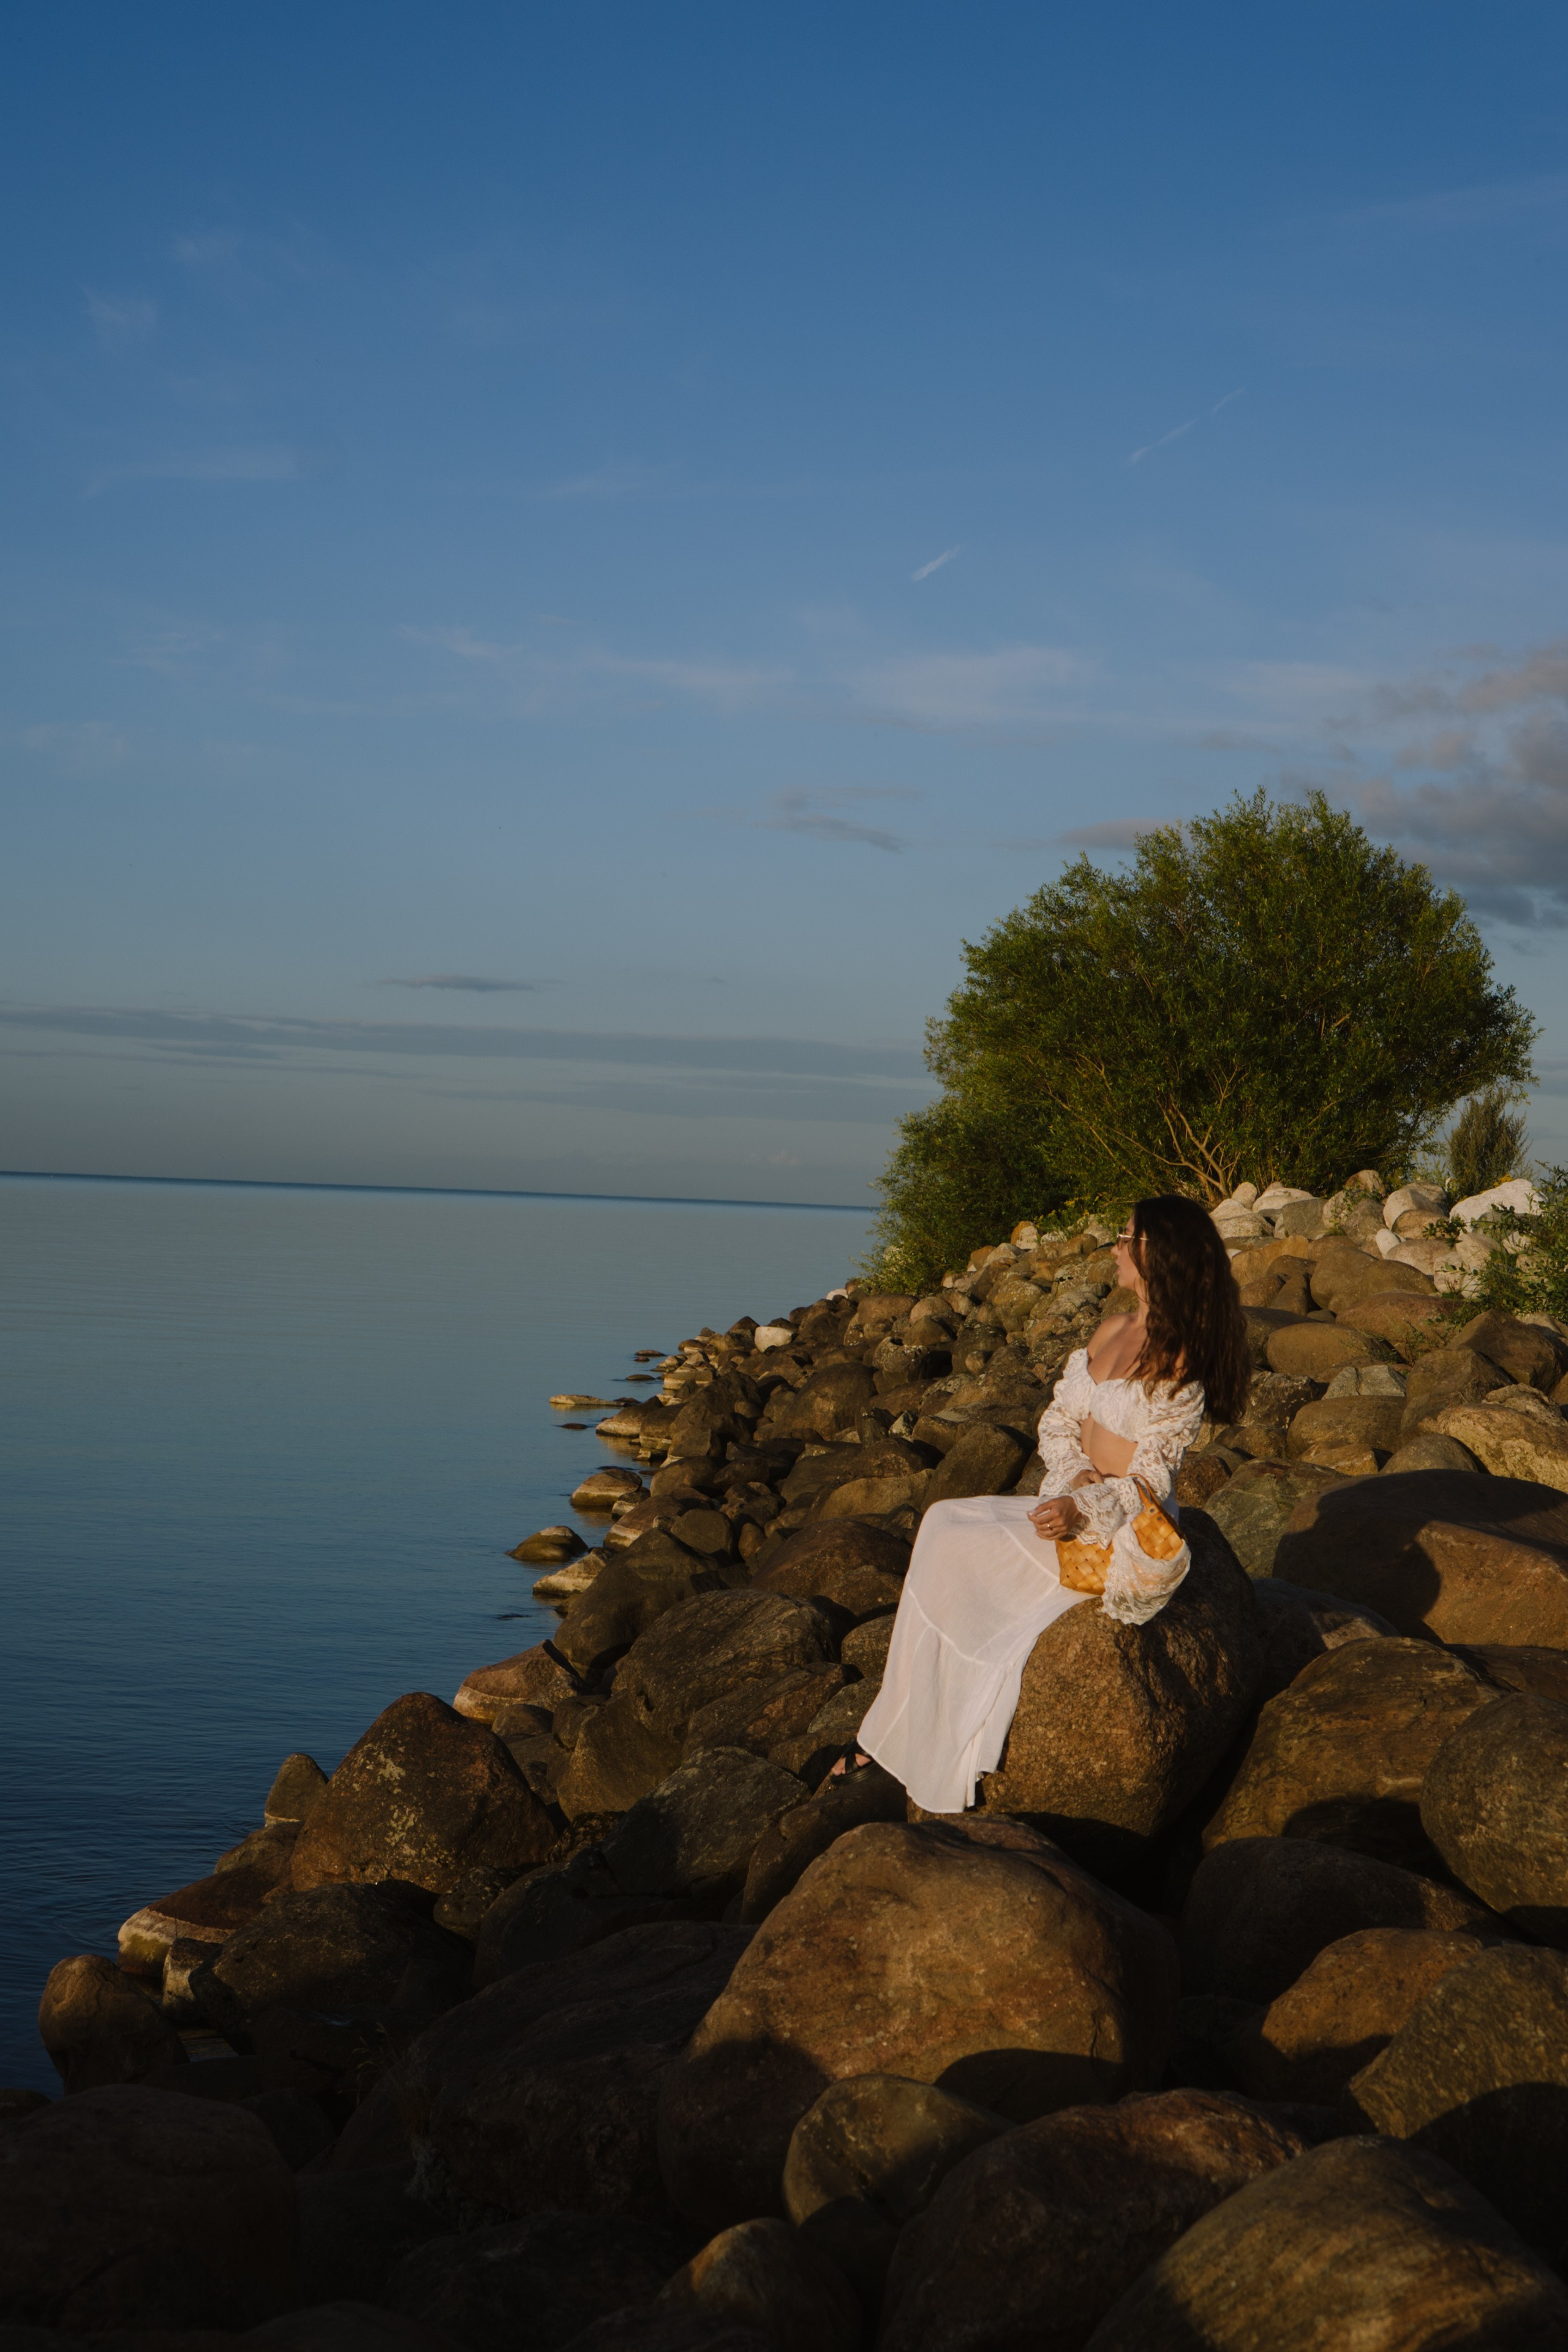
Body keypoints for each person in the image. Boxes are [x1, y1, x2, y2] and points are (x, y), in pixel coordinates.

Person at [844, 1193, 1252, 1815]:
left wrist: (1082, 1509)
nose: (1115, 1248)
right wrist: (1070, 1478)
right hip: (1073, 1497)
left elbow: (1151, 1477)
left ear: (1156, 1253)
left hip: (1122, 1530)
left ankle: (930, 1741)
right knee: (943, 1520)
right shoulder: (1115, 1326)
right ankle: (901, 1721)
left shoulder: (1181, 1356)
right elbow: (1060, 1420)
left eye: (1126, 1238)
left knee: (957, 1549)